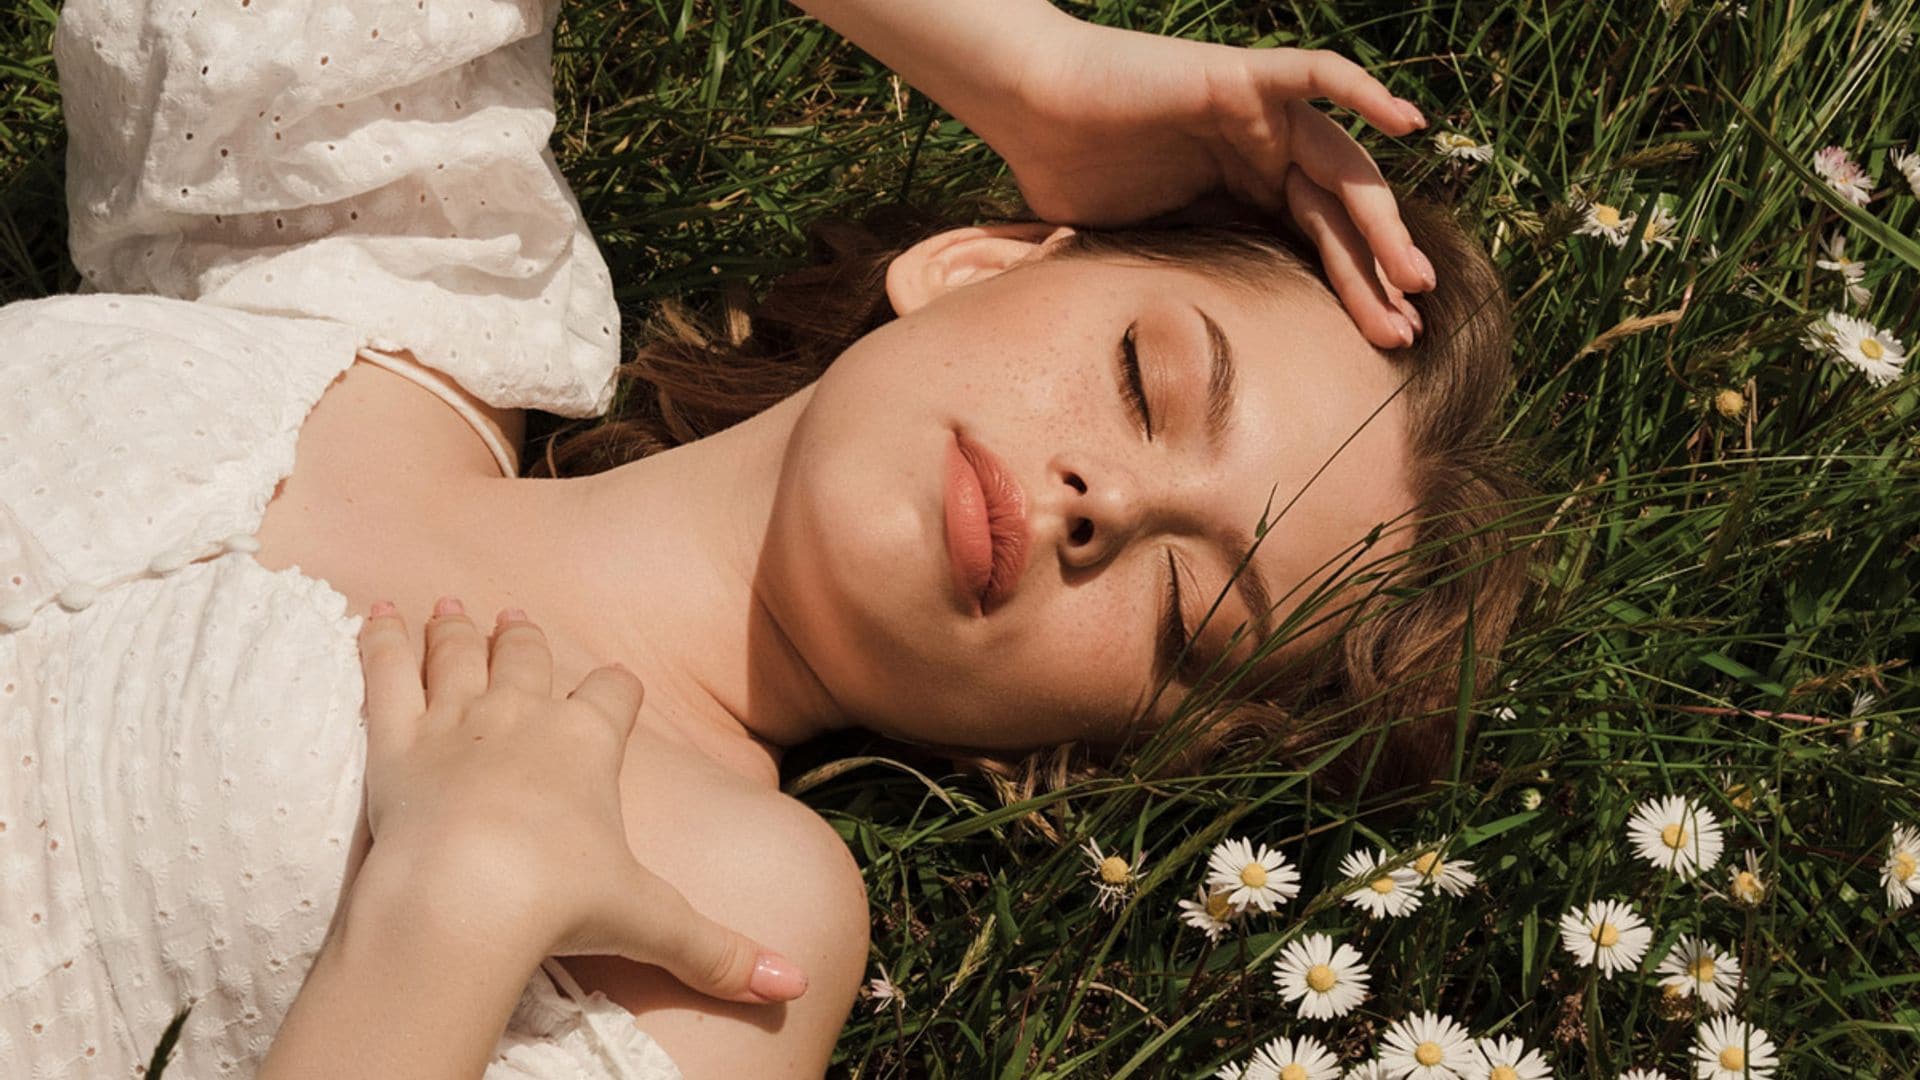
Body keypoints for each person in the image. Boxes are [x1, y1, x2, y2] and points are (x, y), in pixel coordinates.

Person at [0, 1, 1532, 1077]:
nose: (1106, 508)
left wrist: (446, 918)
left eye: (1187, 616)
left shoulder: (735, 910)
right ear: (978, 260)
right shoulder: (392, 290)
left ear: (1098, 743)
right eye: (1147, 377)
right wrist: (1024, 65)